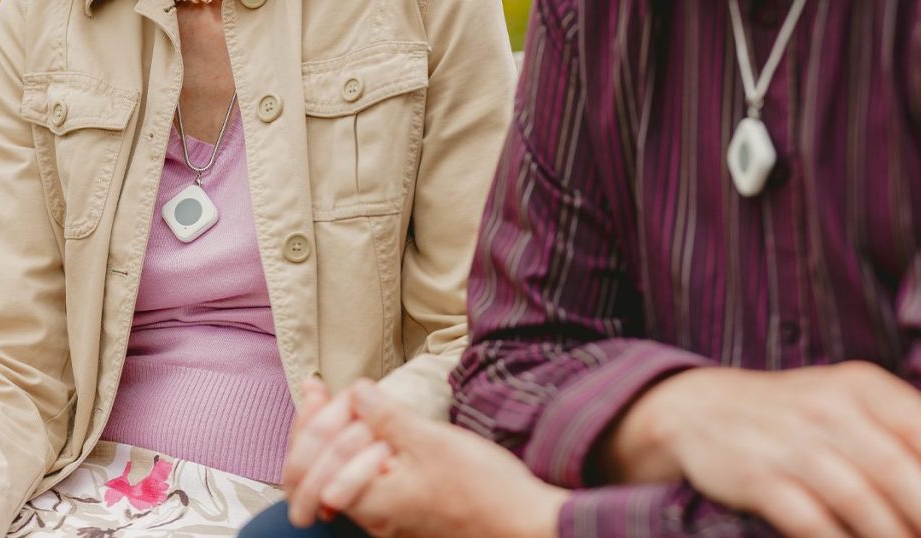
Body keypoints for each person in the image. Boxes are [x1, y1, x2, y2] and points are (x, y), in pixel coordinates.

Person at [277, 0, 921, 537]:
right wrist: (682, 411)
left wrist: (535, 519)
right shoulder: (591, 17)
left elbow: (890, 498)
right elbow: (508, 360)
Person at [0, 0, 517, 535]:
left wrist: (363, 444)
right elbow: (12, 351)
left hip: (316, 502)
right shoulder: (41, 18)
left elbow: (480, 331)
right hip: (70, 494)